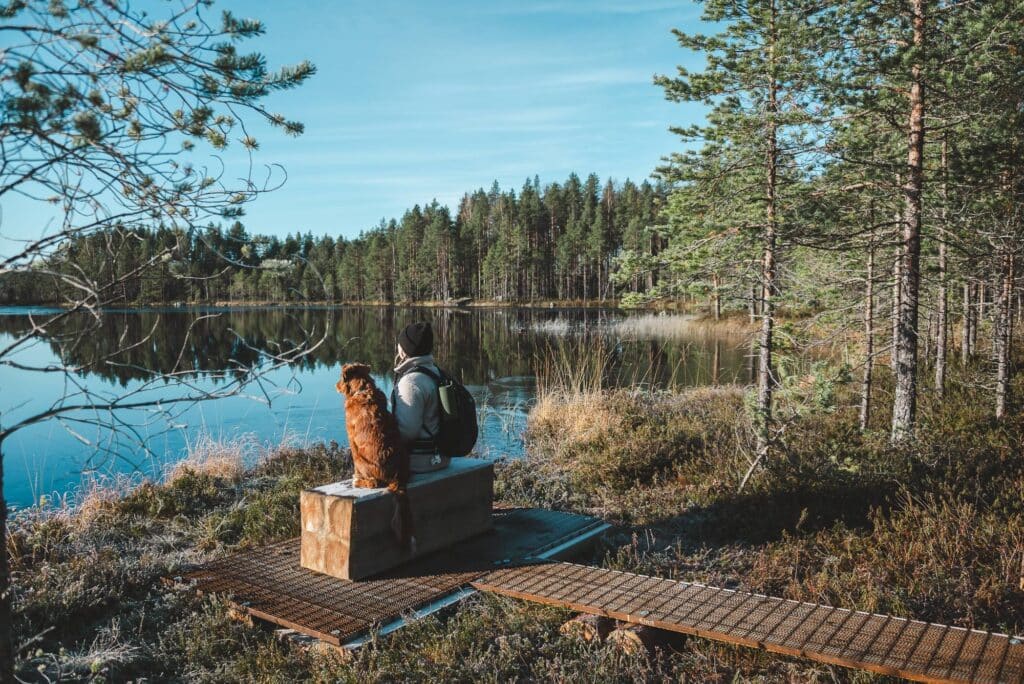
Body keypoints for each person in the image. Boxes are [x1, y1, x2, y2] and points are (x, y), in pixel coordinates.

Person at [391, 321, 450, 473]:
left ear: (404, 350)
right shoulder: (437, 373)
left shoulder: (411, 383)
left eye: (400, 343)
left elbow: (407, 431)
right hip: (442, 458)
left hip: (418, 463)